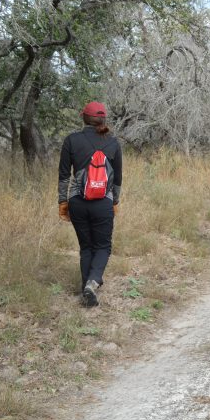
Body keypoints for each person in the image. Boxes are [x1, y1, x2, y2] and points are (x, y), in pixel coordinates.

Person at [58, 101, 123, 307]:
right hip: (103, 202)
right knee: (103, 246)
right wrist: (115, 201)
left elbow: (63, 176)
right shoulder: (113, 142)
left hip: (77, 201)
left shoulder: (71, 140)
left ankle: (85, 288)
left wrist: (62, 201)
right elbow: (118, 178)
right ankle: (92, 284)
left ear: (83, 117)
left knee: (86, 247)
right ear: (103, 120)